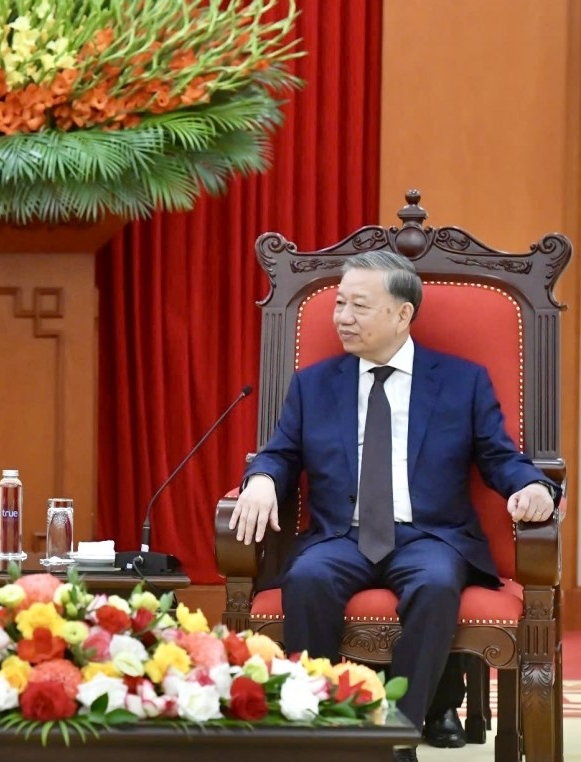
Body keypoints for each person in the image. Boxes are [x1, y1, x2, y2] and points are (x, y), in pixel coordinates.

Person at [229, 250, 557, 762]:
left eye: (358, 306)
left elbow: (498, 456)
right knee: (308, 578)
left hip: (430, 536)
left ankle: (396, 734)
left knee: (435, 584)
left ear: (403, 314)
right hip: (341, 535)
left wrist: (534, 487)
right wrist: (263, 479)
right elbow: (281, 453)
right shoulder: (315, 384)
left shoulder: (460, 381)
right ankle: (319, 729)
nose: (342, 317)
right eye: (339, 304)